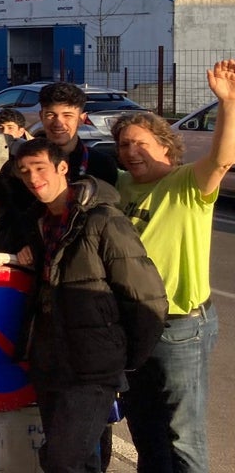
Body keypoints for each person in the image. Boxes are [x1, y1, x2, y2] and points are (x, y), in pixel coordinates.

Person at [12, 139, 167, 473]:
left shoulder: (104, 221)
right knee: (67, 457)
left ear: (62, 168)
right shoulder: (36, 223)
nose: (33, 177)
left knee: (63, 460)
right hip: (50, 361)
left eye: (40, 168)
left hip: (93, 366)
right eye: (25, 171)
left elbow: (146, 297)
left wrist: (122, 358)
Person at [111, 59, 235, 473]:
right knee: (146, 429)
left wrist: (229, 104)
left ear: (166, 145)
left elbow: (221, 160)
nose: (131, 151)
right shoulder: (121, 185)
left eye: (141, 142)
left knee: (184, 437)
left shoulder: (186, 183)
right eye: (125, 145)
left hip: (179, 326)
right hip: (132, 325)